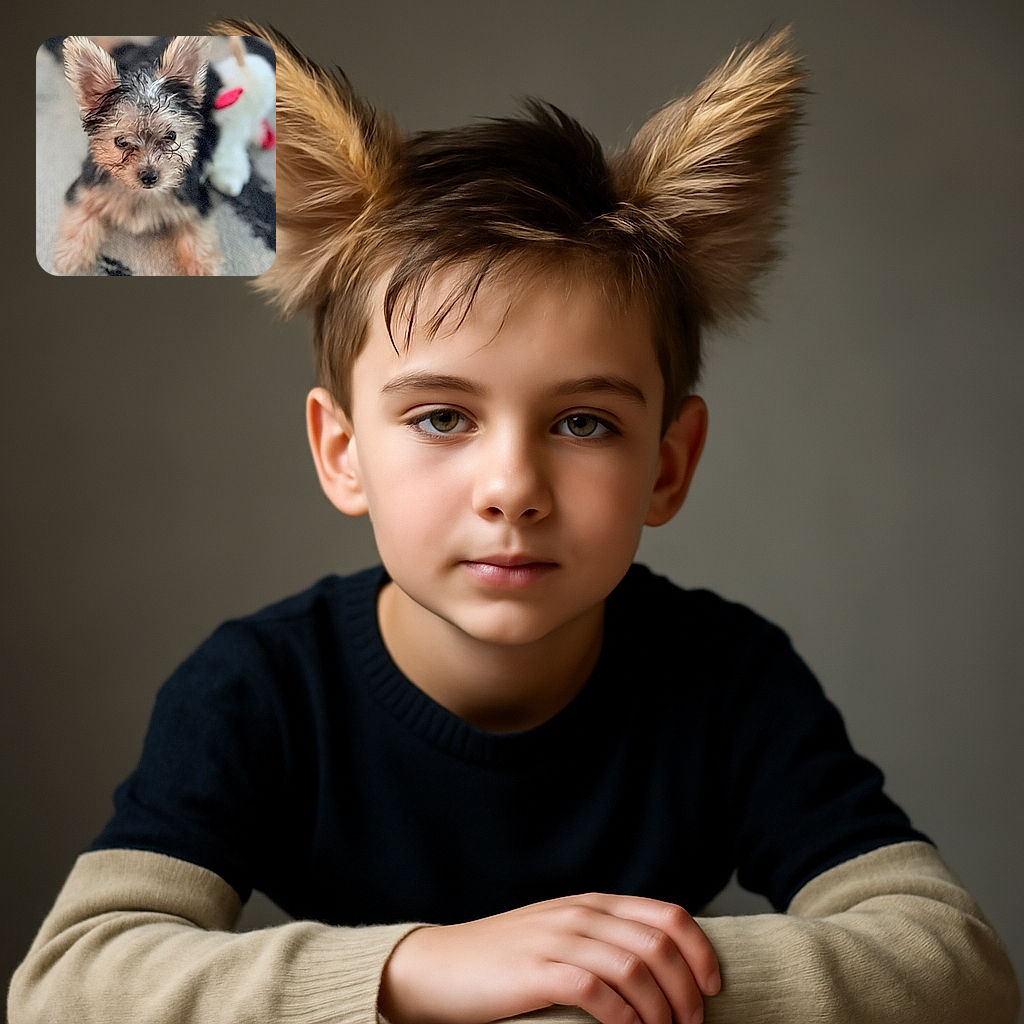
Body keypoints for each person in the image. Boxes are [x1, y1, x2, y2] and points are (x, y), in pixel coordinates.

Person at [8, 21, 1019, 1024]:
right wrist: (419, 970)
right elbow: (67, 986)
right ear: (342, 451)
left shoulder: (728, 683)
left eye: (583, 422)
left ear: (667, 465)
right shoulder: (258, 690)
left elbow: (955, 964)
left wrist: (605, 970)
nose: (512, 488)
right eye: (442, 417)